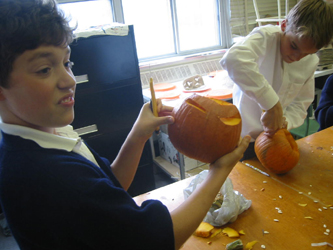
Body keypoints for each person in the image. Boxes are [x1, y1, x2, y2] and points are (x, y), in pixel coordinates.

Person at [0, 0, 250, 249]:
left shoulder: (41, 137)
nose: (69, 80)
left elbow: (110, 184)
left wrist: (138, 134)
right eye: (44, 69)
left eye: (67, 63)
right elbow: (158, 240)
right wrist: (218, 172)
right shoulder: (50, 177)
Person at [220, 0, 333, 160]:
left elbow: (301, 104)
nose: (297, 57)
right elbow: (232, 59)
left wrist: (285, 121)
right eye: (294, 46)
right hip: (243, 139)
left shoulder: (311, 62)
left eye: (306, 54)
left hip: (277, 138)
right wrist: (271, 104)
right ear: (284, 25)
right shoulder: (265, 37)